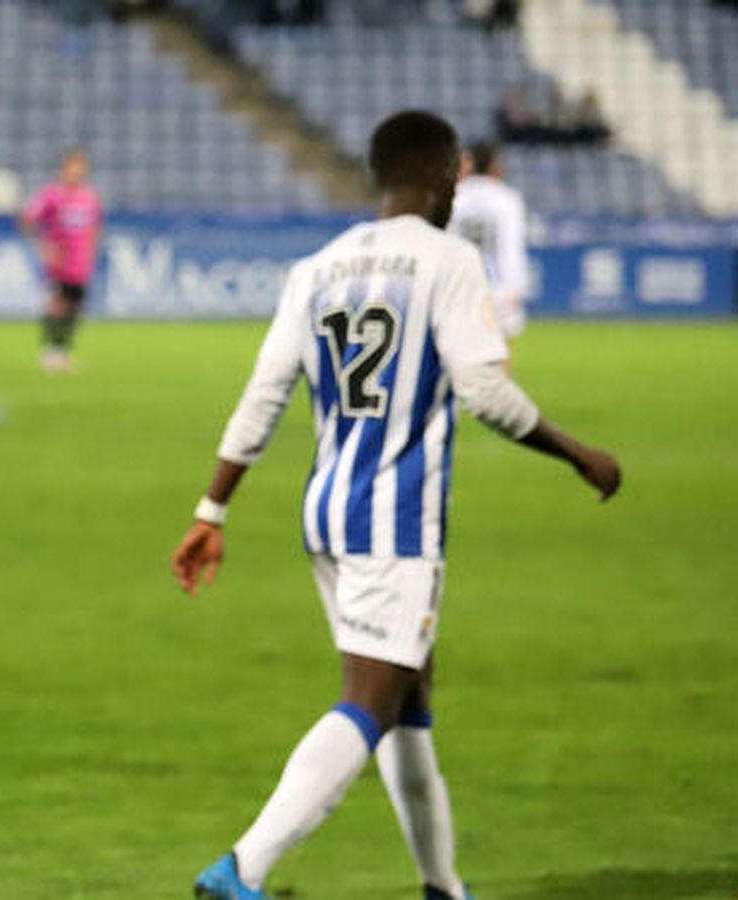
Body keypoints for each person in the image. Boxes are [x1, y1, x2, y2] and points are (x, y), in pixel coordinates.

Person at [171, 110, 621, 900]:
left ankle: (443, 886)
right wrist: (579, 453)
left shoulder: (316, 267)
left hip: (327, 515)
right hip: (396, 522)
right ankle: (240, 869)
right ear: (445, 176)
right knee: (369, 701)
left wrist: (213, 512)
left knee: (409, 699)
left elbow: (263, 396)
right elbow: (483, 388)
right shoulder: (449, 259)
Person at [20, 148, 102, 373]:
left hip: (80, 264)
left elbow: (95, 226)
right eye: (73, 168)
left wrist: (91, 250)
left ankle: (63, 350)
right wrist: (43, 245)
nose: (77, 173)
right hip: (58, 264)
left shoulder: (90, 197)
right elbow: (27, 218)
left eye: (80, 169)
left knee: (75, 308)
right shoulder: (50, 194)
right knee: (57, 305)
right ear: (64, 169)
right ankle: (50, 350)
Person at [449, 141, 529, 339]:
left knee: (460, 351)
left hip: (460, 287)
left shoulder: (454, 195)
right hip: (500, 287)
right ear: (492, 165)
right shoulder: (508, 198)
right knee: (500, 351)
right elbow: (511, 246)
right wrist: (517, 284)